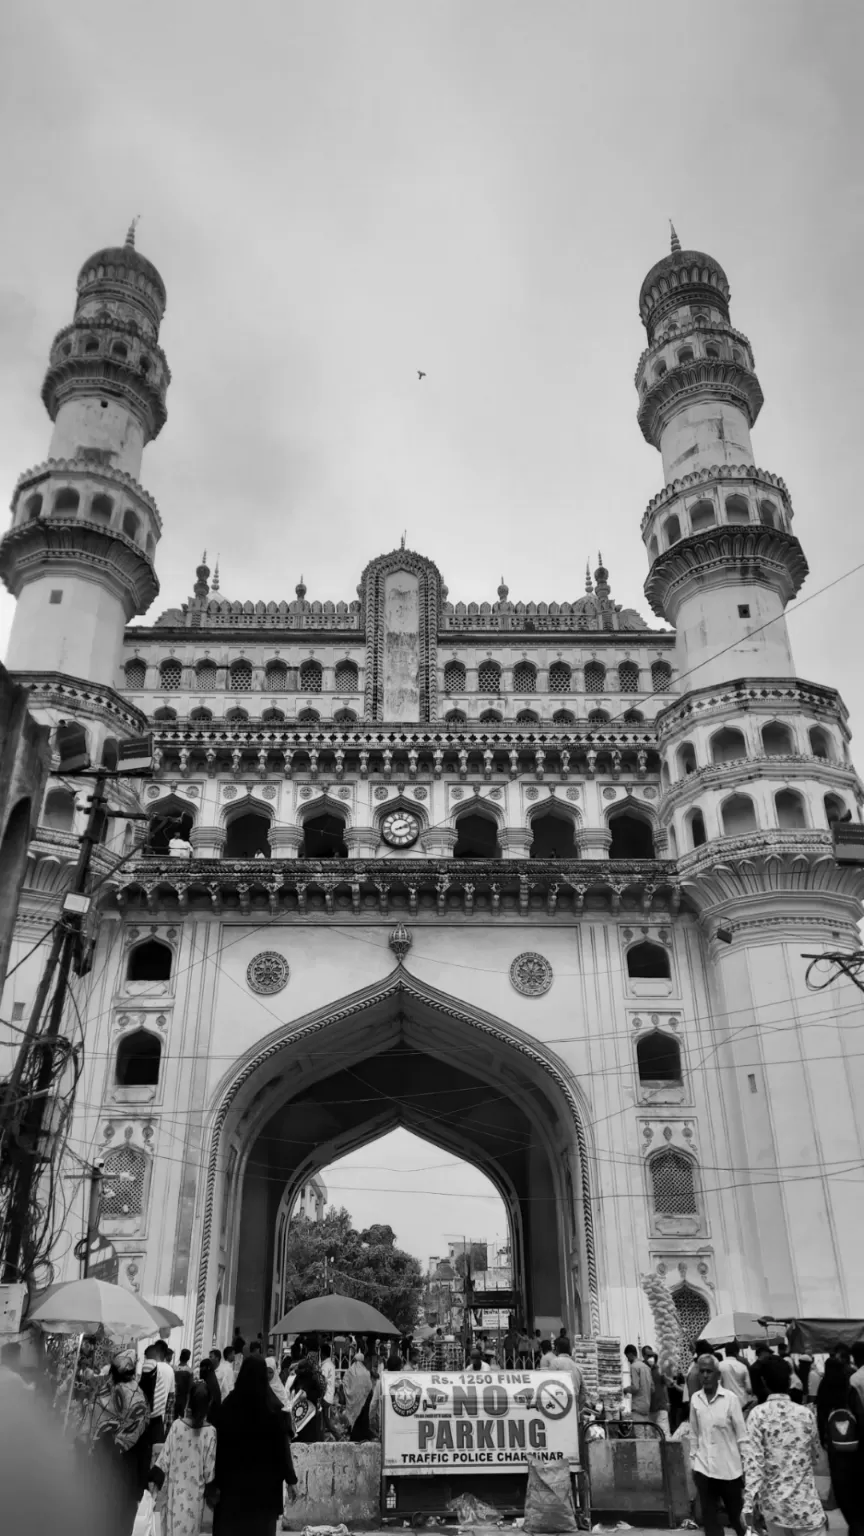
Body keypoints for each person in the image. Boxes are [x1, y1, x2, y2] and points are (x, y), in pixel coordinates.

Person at [212, 1355, 296, 1536]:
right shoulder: (272, 1408)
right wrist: (291, 1479)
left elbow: (218, 1447)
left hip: (233, 1489)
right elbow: (282, 1449)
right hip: (264, 1491)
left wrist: (214, 1482)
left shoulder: (229, 1406)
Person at [743, 1354, 824, 1536]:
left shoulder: (757, 1415)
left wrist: (749, 1506)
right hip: (806, 1507)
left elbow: (754, 1466)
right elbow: (815, 1457)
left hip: (775, 1510)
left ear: (763, 1381)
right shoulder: (806, 1414)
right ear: (788, 1380)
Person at [87, 1347, 151, 1531]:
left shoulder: (106, 1390)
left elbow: (93, 1422)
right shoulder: (139, 1396)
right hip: (127, 1466)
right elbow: (141, 1438)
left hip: (104, 1462)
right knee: (122, 1519)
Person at [689, 1353, 749, 1536]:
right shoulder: (695, 1400)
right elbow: (694, 1433)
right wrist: (693, 1464)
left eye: (709, 1371)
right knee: (710, 1523)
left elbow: (742, 1436)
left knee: (737, 1519)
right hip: (704, 1469)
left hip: (730, 1470)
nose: (705, 1375)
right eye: (702, 1371)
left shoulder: (730, 1399)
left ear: (718, 1375)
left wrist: (747, 1467)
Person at [149, 1381, 217, 1536]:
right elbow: (209, 1474)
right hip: (194, 1503)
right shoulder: (210, 1433)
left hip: (173, 1498)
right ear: (209, 1403)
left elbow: (163, 1460)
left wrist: (154, 1484)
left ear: (189, 1400)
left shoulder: (176, 1426)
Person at [816, 1354, 864, 1534]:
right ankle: (858, 1524)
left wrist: (824, 1442)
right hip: (856, 1450)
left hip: (836, 1452)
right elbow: (860, 1418)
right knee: (857, 1486)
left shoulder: (823, 1390)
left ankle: (854, 1524)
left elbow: (820, 1420)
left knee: (842, 1490)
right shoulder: (848, 1390)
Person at [546, 1337, 587, 1412]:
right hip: (573, 1408)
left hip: (559, 1408)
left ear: (557, 1348)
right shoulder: (576, 1366)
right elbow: (583, 1391)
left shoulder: (555, 1363)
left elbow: (548, 1385)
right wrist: (577, 1408)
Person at [343, 1346, 374, 1442]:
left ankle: (354, 1438)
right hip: (364, 1401)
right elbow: (369, 1387)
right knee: (363, 1420)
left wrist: (350, 1396)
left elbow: (345, 1384)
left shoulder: (350, 1371)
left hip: (353, 1403)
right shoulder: (365, 1372)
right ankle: (364, 1439)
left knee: (355, 1422)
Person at [624, 1343, 653, 1435]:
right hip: (647, 1406)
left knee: (640, 1437)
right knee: (647, 1437)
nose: (628, 1360)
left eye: (627, 1357)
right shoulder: (647, 1367)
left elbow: (635, 1387)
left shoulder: (634, 1366)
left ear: (630, 1354)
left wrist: (626, 1390)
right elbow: (652, 1388)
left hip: (638, 1407)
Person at [719, 1341, 753, 1411]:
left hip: (725, 1404)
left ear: (725, 1352)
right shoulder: (743, 1367)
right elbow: (749, 1389)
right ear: (737, 1352)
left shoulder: (719, 1366)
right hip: (742, 1403)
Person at [645, 1351, 670, 1438]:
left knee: (663, 1433)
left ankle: (665, 1451)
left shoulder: (660, 1370)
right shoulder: (645, 1371)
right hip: (650, 1408)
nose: (650, 1359)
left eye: (652, 1357)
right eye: (648, 1356)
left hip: (660, 1406)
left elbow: (666, 1385)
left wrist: (667, 1402)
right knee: (652, 1435)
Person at [198, 1358, 221, 1426]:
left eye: (202, 1368)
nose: (201, 1370)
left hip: (208, 1419)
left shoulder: (209, 1382)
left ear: (208, 1368)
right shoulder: (211, 1378)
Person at [173, 1349, 194, 1422]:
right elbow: (190, 1388)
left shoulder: (174, 1369)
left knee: (173, 1419)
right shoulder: (189, 1371)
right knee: (183, 1420)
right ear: (188, 1358)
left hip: (174, 1398)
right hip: (184, 1399)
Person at [320, 1342, 337, 1432]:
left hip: (325, 1396)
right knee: (325, 1419)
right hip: (329, 1395)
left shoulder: (325, 1366)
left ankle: (338, 1436)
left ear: (322, 1354)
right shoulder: (330, 1364)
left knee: (325, 1419)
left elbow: (323, 1382)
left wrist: (321, 1396)